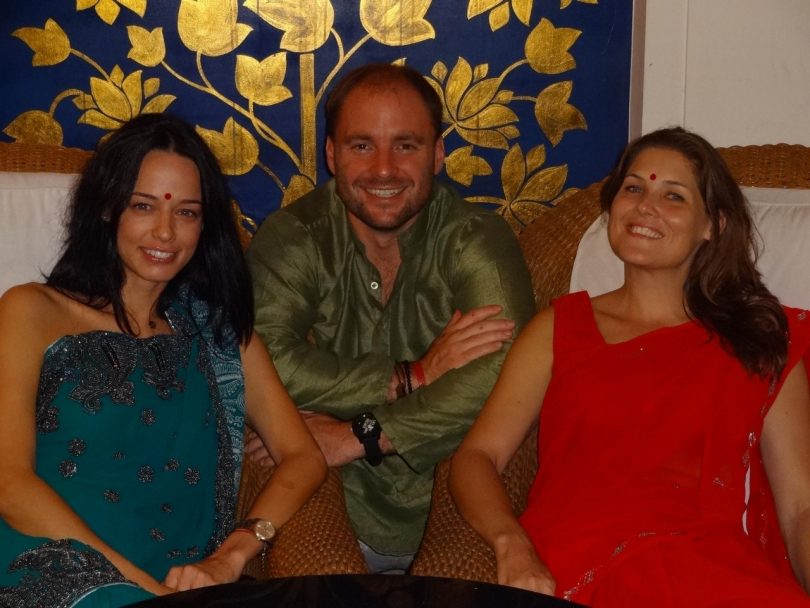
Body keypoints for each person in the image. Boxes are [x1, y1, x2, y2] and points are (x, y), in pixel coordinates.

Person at [450, 127, 810, 606]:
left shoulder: (759, 342)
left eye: (673, 196)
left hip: (711, 572)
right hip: (578, 568)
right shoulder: (560, 329)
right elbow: (477, 457)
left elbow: (800, 508)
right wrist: (511, 545)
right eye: (634, 188)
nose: (645, 206)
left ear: (714, 225)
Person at [0, 113, 327, 606]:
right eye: (143, 206)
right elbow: (9, 483)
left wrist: (234, 553)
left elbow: (303, 457)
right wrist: (139, 588)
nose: (165, 232)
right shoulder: (31, 311)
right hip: (44, 563)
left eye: (187, 213)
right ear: (108, 208)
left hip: (174, 581)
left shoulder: (219, 338)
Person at [246, 63, 535, 571]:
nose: (384, 170)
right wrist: (411, 376)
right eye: (362, 145)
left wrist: (359, 435)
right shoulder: (294, 237)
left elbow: (506, 375)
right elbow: (262, 364)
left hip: (452, 481)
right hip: (332, 491)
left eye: (406, 145)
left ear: (438, 153)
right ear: (331, 154)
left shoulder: (477, 240)